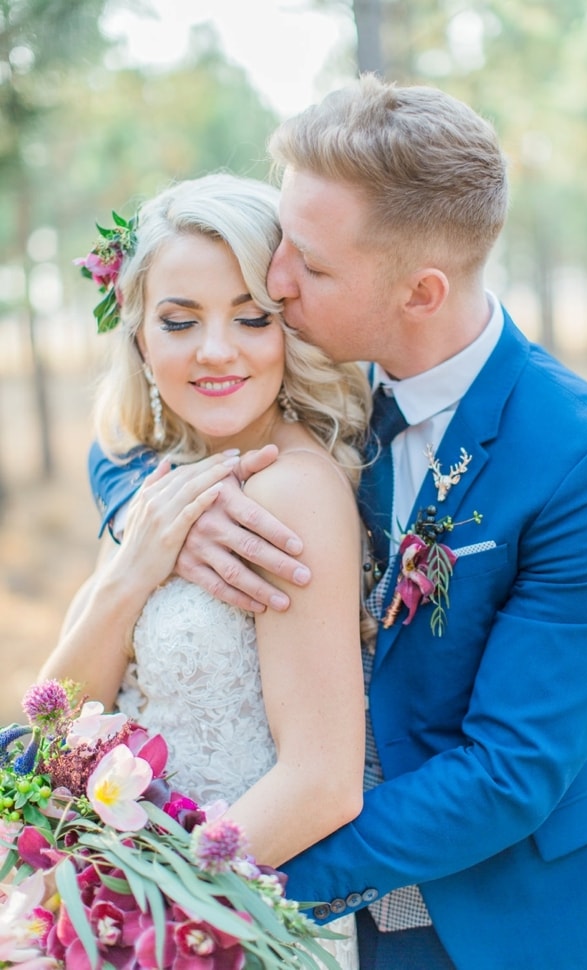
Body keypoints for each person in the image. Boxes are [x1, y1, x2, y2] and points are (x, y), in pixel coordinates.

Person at [89, 78, 587, 969]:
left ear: (419, 292)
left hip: (497, 919)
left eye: (306, 264)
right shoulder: (320, 361)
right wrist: (166, 518)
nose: (274, 281)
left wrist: (193, 887)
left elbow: (511, 771)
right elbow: (135, 434)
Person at [45, 173, 370, 966]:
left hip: (221, 922)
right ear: (141, 338)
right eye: (181, 321)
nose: (216, 350)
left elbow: (324, 781)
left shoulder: (294, 492)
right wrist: (132, 568)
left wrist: (146, 914)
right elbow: (54, 725)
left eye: (252, 317)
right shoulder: (153, 491)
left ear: (289, 329)